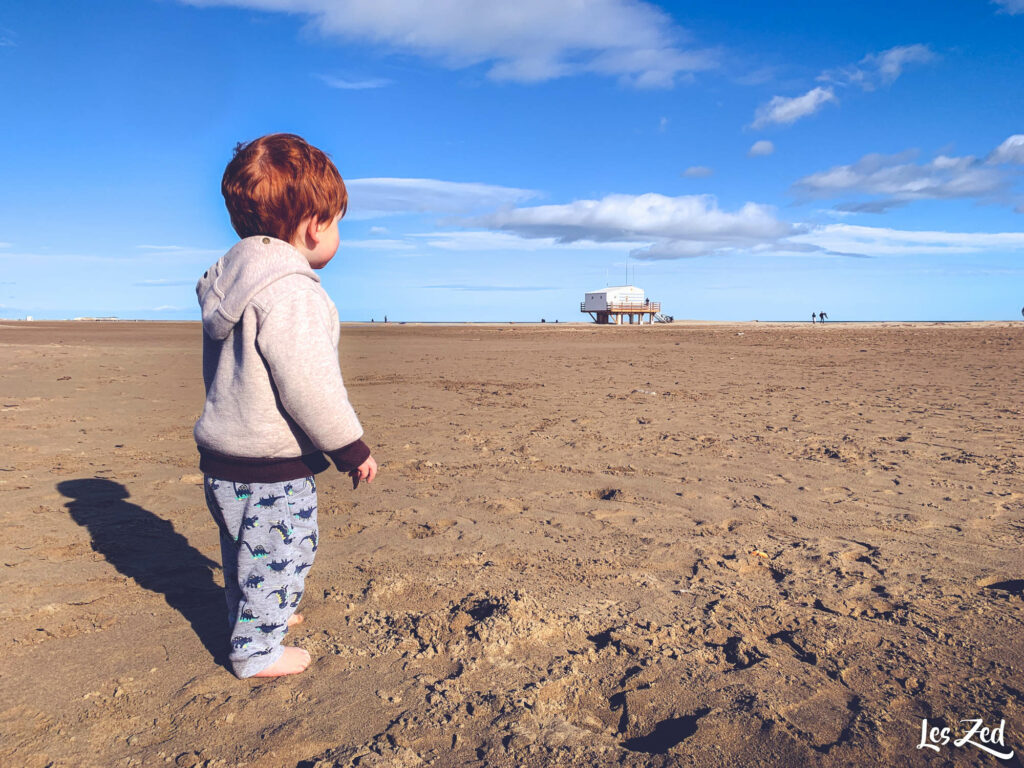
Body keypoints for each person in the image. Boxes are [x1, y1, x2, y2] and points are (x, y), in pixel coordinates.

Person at [194, 133, 377, 678]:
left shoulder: (234, 280)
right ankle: (256, 651)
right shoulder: (293, 292)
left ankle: (257, 616)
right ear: (313, 224)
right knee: (286, 547)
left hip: (225, 458)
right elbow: (310, 385)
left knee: (245, 552)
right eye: (337, 220)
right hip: (271, 463)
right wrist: (350, 448)